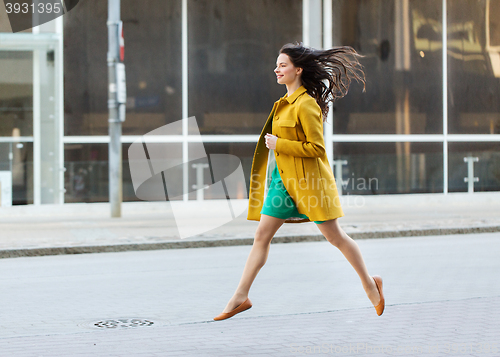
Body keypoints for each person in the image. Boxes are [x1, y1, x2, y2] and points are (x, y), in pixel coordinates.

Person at [213, 42, 384, 321]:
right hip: (283, 183)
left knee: (335, 237)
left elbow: (317, 148)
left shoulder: (306, 105)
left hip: (309, 183)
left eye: (283, 65)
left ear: (298, 69)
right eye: (277, 65)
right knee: (261, 235)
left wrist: (280, 143)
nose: (276, 69)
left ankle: (369, 283)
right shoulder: (281, 104)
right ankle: (240, 296)